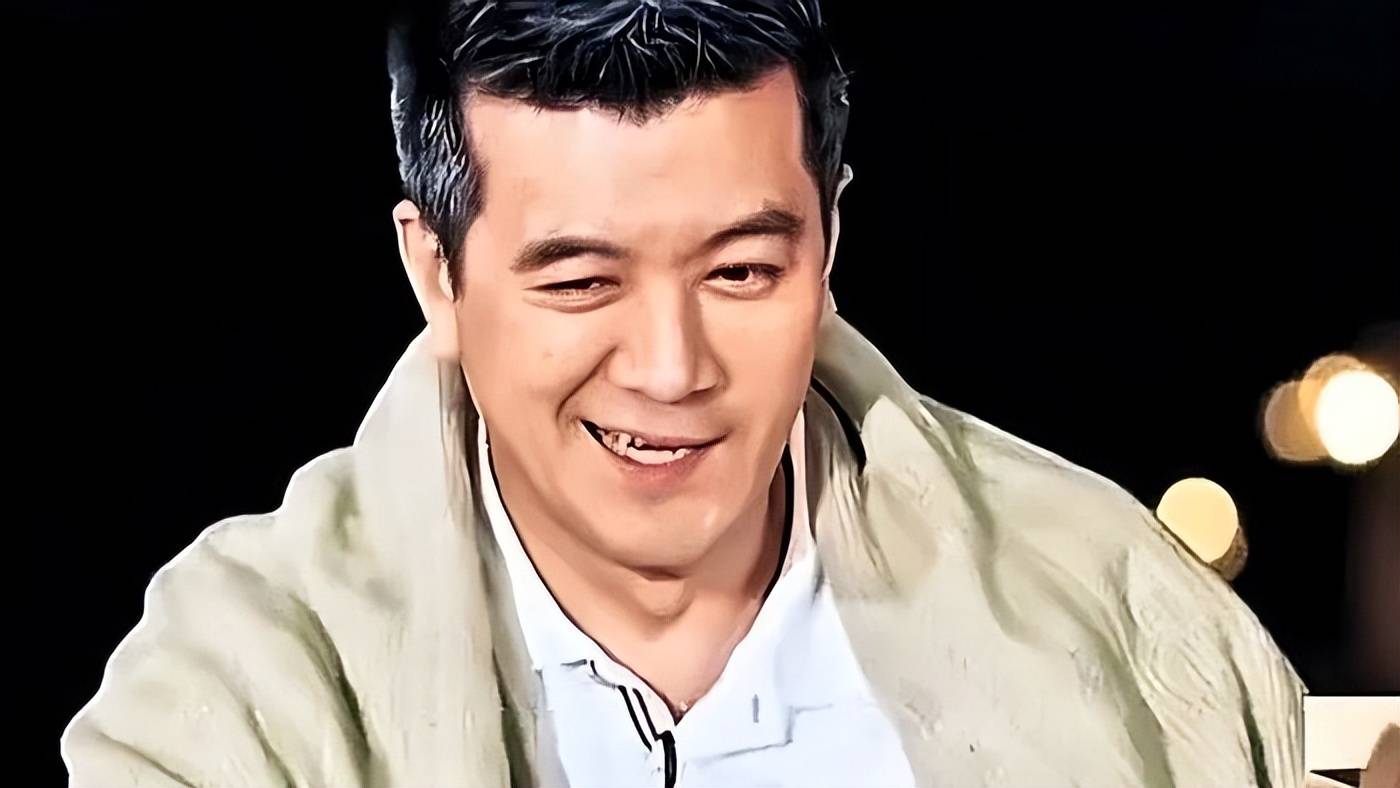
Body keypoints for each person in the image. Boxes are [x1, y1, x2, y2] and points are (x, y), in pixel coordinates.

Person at [62, 1, 1305, 785]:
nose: (670, 368)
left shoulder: (1111, 604)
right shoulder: (247, 679)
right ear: (434, 271)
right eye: (581, 281)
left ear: (829, 241)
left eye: (741, 270)